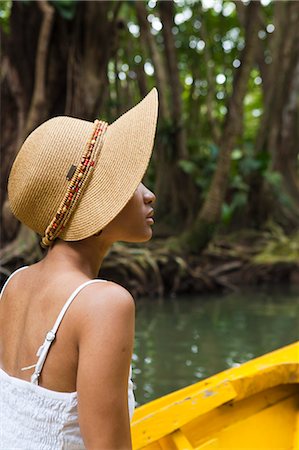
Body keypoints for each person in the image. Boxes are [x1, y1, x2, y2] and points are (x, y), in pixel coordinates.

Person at [0, 88, 158, 450]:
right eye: (130, 182)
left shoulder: (14, 284)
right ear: (97, 213)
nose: (148, 194)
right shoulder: (103, 304)